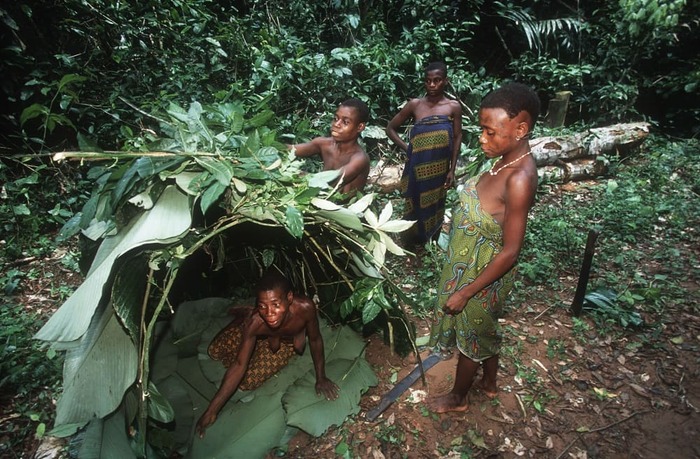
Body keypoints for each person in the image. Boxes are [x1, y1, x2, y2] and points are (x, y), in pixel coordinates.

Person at [427, 82, 540, 413]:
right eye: (482, 130)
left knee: (473, 334)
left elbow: (511, 251)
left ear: (520, 129)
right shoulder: (500, 160)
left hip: (485, 275)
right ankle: (489, 382)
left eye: (491, 132)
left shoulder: (519, 178)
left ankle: (458, 397)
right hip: (468, 264)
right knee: (484, 329)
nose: (482, 138)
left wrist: (466, 292)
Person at [195, 270, 339, 437]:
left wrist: (321, 377)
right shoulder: (257, 320)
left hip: (284, 341)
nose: (269, 313)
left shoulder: (305, 308)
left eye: (276, 304)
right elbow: (239, 365)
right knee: (214, 350)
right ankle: (244, 317)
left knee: (248, 381)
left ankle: (258, 326)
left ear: (289, 298)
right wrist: (211, 411)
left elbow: (315, 340)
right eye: (262, 306)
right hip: (259, 329)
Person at [386, 61, 463, 245]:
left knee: (435, 203)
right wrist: (408, 148)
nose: (432, 85)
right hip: (416, 166)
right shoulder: (415, 104)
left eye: (437, 80)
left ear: (445, 81)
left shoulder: (453, 107)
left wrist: (452, 170)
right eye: (428, 81)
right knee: (414, 201)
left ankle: (431, 242)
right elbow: (390, 128)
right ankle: (410, 243)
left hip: (439, 168)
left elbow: (457, 137)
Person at [289, 98, 370, 195]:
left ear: (360, 127)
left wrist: (298, 175)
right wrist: (273, 148)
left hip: (341, 203)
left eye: (345, 122)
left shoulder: (359, 158)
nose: (336, 124)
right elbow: (289, 150)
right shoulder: (324, 144)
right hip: (317, 196)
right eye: (336, 119)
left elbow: (333, 180)